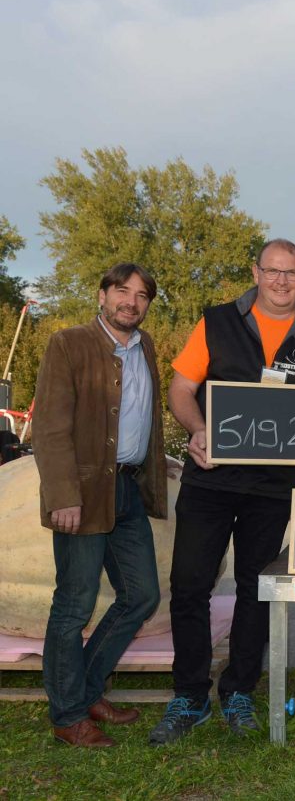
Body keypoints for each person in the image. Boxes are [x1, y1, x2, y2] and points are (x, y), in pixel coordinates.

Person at [149, 239, 295, 744]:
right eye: (274, 271)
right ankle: (189, 696)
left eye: (293, 274)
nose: (282, 282)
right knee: (190, 585)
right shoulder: (216, 322)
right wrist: (196, 430)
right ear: (255, 272)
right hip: (210, 480)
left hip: (272, 486)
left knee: (259, 590)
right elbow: (180, 391)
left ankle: (239, 692)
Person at [33, 263, 167, 747]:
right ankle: (68, 715)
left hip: (127, 489)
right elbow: (48, 428)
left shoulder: (145, 346)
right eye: (122, 291)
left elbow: (140, 418)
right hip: (83, 492)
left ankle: (87, 690)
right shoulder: (68, 344)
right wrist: (63, 495)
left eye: (142, 295)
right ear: (102, 295)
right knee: (73, 605)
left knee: (141, 595)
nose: (131, 301)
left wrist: (161, 465)